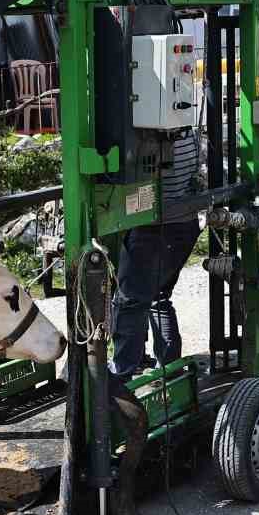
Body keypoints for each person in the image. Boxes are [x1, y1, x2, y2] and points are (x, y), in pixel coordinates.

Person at [110, 131, 203, 379]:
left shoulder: (145, 134)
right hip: (185, 224)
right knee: (158, 296)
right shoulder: (186, 128)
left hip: (154, 227)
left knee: (129, 302)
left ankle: (121, 374)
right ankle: (170, 368)